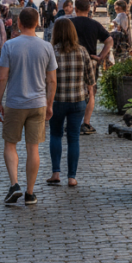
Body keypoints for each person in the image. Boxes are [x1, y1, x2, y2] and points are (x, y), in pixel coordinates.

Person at [0, 7, 57, 205]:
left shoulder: (10, 46)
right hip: (38, 103)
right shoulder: (46, 46)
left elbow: (2, 76)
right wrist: (50, 103)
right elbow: (52, 80)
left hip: (15, 103)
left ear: (19, 23)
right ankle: (30, 193)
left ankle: (14, 184)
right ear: (37, 23)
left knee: (10, 144)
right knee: (33, 148)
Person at [46, 18, 95, 187]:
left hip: (57, 100)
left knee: (55, 134)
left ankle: (55, 173)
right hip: (78, 100)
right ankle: (72, 177)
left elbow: (45, 79)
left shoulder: (51, 51)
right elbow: (91, 79)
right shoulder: (82, 51)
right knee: (73, 138)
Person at [70, 0, 112, 135]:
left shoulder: (68, 24)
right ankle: (86, 123)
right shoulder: (95, 24)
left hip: (71, 62)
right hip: (90, 61)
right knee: (91, 92)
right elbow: (109, 40)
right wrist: (100, 57)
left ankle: (71, 122)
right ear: (89, 9)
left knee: (71, 91)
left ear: (75, 9)